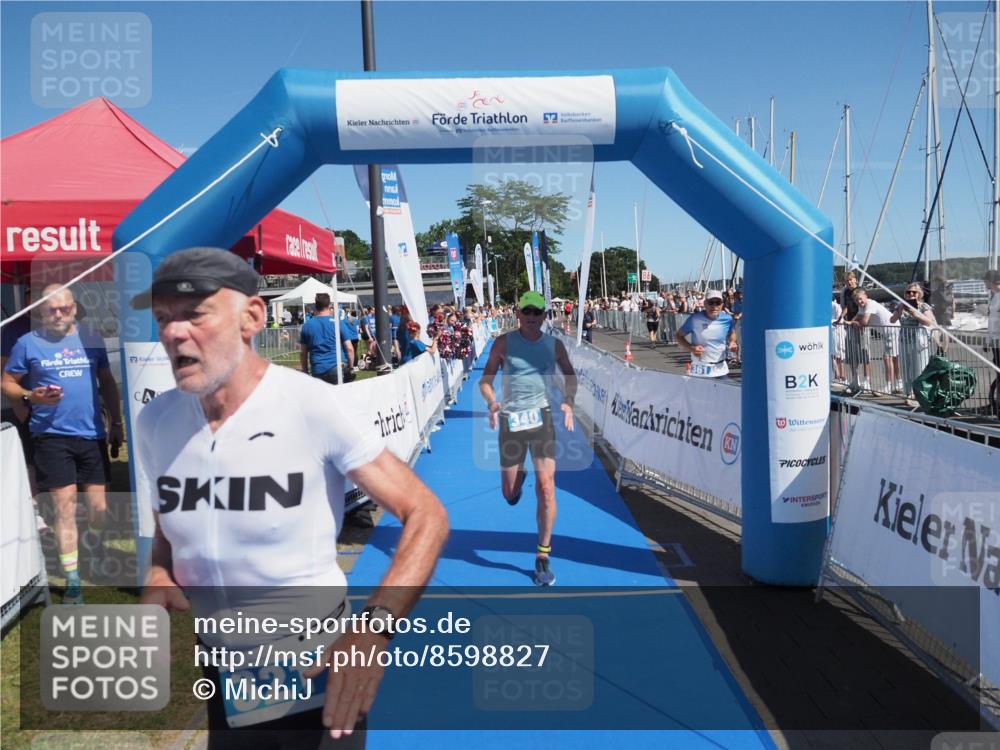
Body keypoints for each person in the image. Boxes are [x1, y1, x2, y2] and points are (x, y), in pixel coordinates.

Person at [133, 247, 448, 744]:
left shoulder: (309, 406)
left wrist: (373, 630)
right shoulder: (155, 421)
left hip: (315, 667)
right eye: (162, 318)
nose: (173, 332)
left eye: (194, 313)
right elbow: (168, 525)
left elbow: (425, 512)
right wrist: (158, 570)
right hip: (222, 672)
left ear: (252, 317)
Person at [2, 284, 123, 604]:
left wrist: (117, 423)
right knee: (64, 510)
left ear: (74, 308)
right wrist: (30, 396)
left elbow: (107, 382)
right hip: (50, 438)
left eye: (64, 308)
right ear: (41, 311)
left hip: (92, 436)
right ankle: (72, 583)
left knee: (99, 509)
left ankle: (94, 550)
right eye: (51, 309)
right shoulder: (27, 344)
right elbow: (7, 382)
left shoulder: (91, 339)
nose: (58, 314)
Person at [479, 290, 576, 587]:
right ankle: (517, 481)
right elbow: (486, 379)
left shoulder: (554, 345)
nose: (533, 318)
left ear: (545, 316)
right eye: (528, 313)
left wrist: (568, 401)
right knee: (509, 494)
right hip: (511, 420)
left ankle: (542, 554)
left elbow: (570, 376)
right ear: (518, 314)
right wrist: (492, 402)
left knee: (547, 487)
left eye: (538, 313)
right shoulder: (504, 343)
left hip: (542, 418)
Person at [674, 289, 738, 377]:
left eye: (718, 303)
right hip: (701, 368)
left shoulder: (727, 319)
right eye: (711, 302)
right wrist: (691, 348)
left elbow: (731, 333)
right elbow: (678, 336)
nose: (714, 306)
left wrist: (732, 342)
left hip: (720, 368)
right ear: (705, 304)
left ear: (722, 304)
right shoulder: (695, 319)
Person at [890, 283, 936, 400]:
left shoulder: (923, 306)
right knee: (905, 368)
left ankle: (920, 395)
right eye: (908, 292)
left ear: (919, 294)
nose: (911, 294)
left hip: (919, 342)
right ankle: (908, 393)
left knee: (919, 368)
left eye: (914, 292)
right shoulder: (901, 306)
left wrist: (915, 314)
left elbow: (929, 322)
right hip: (904, 340)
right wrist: (899, 311)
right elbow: (892, 320)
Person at [851, 288, 899, 394]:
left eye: (860, 299)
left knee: (888, 358)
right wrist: (851, 322)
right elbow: (859, 316)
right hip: (886, 331)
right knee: (893, 358)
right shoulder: (862, 306)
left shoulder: (870, 305)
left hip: (891, 329)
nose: (859, 302)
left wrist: (854, 323)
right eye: (856, 300)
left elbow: (864, 321)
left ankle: (889, 387)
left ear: (866, 296)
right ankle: (898, 383)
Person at [299, 292, 347, 384]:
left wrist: (305, 371)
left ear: (316, 306)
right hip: (336, 367)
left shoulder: (307, 325)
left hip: (318, 369)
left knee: (321, 398)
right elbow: (349, 348)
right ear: (329, 305)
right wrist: (351, 366)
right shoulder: (337, 323)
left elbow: (303, 353)